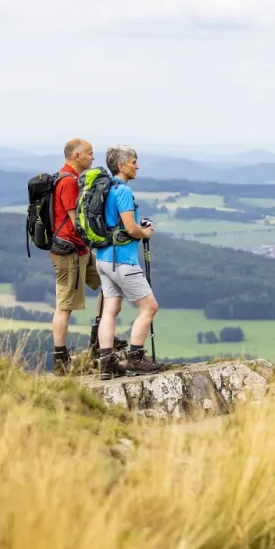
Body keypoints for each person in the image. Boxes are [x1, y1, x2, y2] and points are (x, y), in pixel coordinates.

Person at [95, 144, 162, 378]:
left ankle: (106, 362)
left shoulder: (104, 190)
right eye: (134, 162)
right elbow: (130, 227)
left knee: (110, 310)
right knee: (149, 307)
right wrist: (145, 232)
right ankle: (136, 358)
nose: (137, 166)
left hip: (103, 258)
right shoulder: (122, 191)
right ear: (122, 166)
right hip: (123, 260)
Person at [50, 138, 101, 374]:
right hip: (70, 252)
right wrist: (95, 240)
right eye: (90, 154)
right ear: (77, 156)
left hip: (79, 250)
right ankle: (60, 359)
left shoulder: (65, 177)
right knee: (64, 306)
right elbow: (76, 221)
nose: (93, 157)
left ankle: (100, 338)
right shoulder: (69, 182)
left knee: (110, 284)